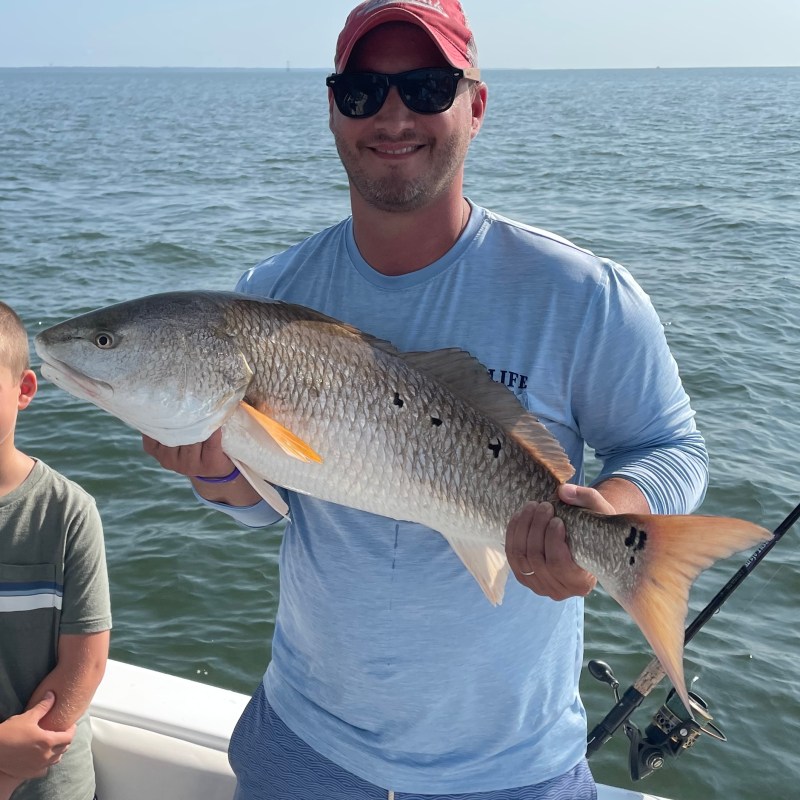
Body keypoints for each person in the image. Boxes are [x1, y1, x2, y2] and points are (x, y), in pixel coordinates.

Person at [143, 1, 709, 798]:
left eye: (427, 85)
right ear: (334, 110)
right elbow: (268, 506)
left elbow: (671, 448)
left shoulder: (580, 294)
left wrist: (610, 514)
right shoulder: (270, 297)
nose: (394, 114)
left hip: (515, 770)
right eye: (363, 91)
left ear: (476, 105)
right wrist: (211, 469)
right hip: (305, 745)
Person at [0, 301, 112, 800]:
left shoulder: (67, 510)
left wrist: (6, 775)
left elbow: (83, 666)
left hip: (52, 787)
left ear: (24, 389)